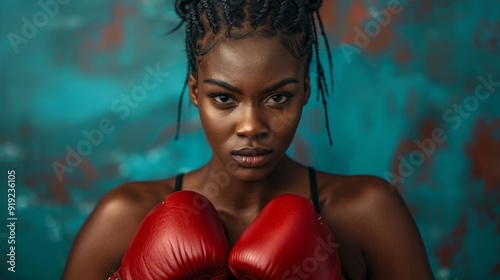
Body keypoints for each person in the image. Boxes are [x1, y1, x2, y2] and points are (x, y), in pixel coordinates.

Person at [63, 0, 435, 279]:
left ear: (305, 90)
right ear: (195, 91)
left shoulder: (367, 213)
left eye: (278, 97)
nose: (250, 126)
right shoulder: (123, 217)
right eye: (224, 98)